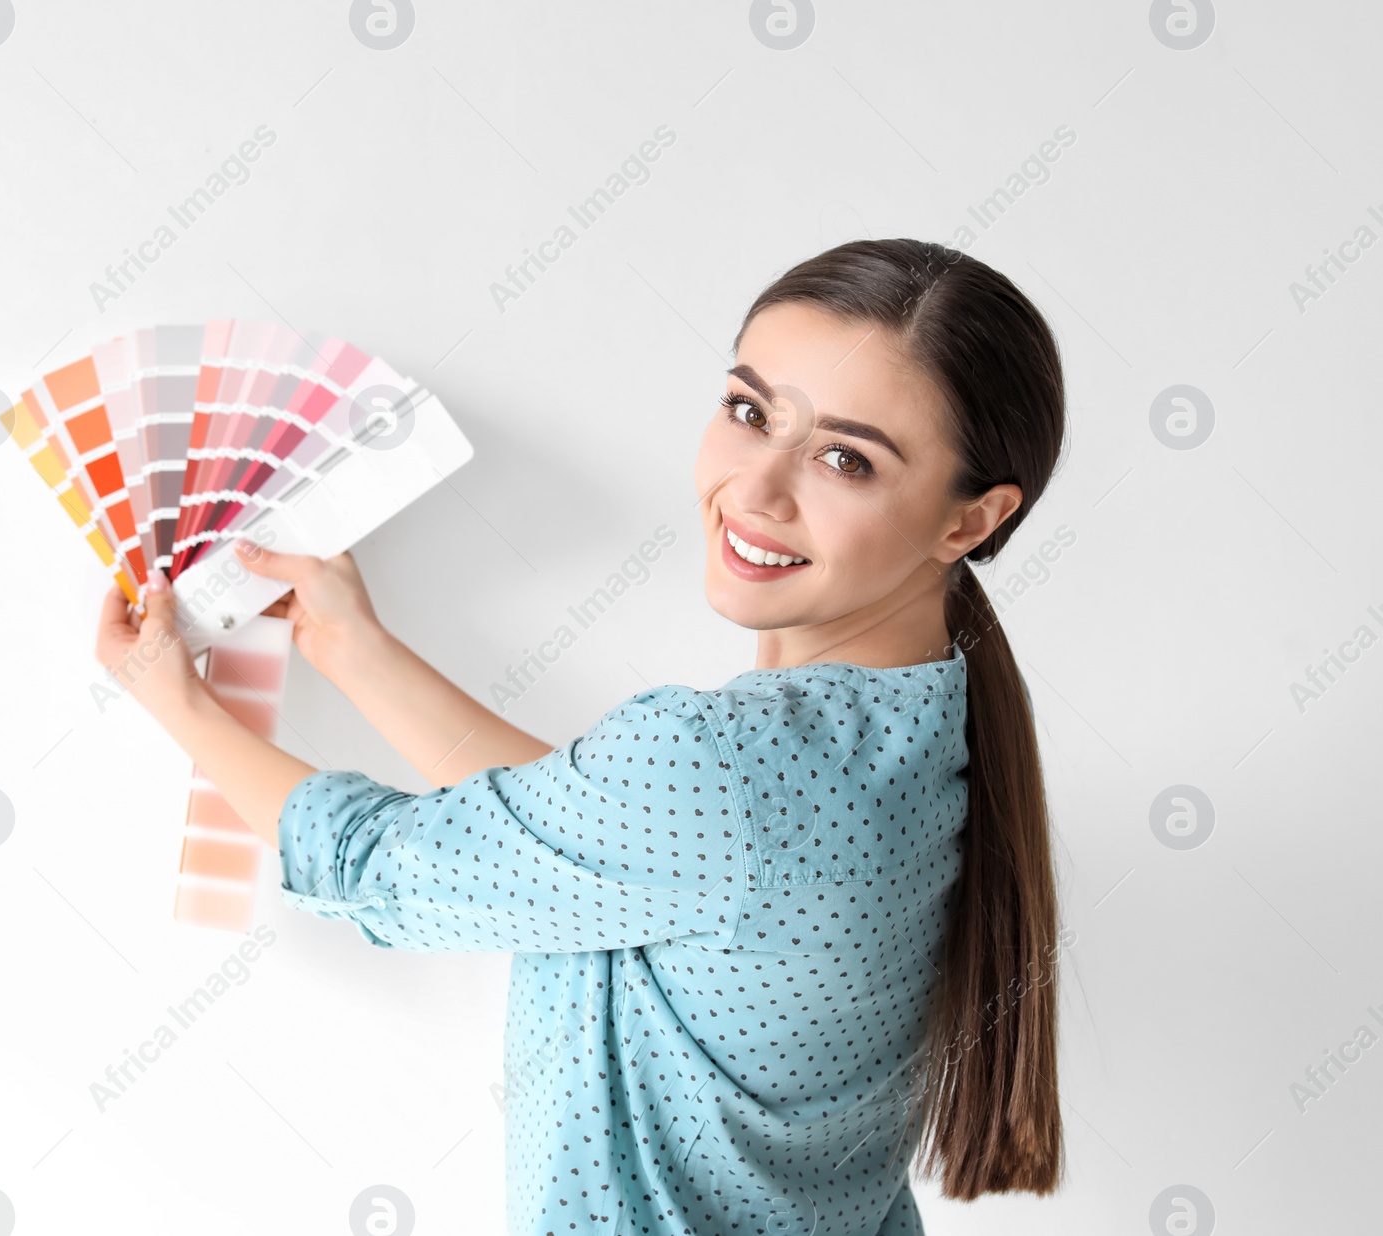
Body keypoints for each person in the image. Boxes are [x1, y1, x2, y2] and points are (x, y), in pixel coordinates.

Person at [95, 237, 1068, 1235]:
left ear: (970, 521)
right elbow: (592, 846)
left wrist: (174, 702)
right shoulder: (917, 727)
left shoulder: (724, 764)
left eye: (845, 459)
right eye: (750, 412)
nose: (756, 490)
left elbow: (380, 867)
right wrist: (353, 650)